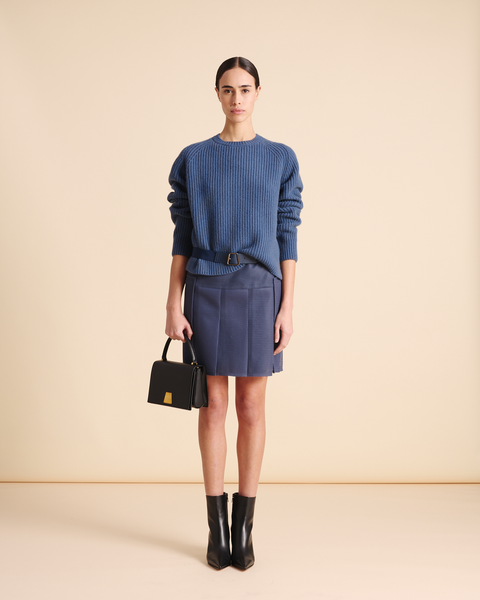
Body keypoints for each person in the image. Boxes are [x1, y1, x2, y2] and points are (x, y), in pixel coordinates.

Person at [165, 57, 303, 570]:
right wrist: (172, 301)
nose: (237, 98)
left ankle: (244, 528)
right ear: (217, 94)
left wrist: (288, 305)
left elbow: (287, 234)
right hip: (205, 287)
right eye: (228, 89)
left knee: (251, 406)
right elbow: (182, 235)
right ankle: (216, 528)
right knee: (212, 406)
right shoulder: (194, 158)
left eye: (245, 89)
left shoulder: (280, 157)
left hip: (260, 290)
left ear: (258, 92)